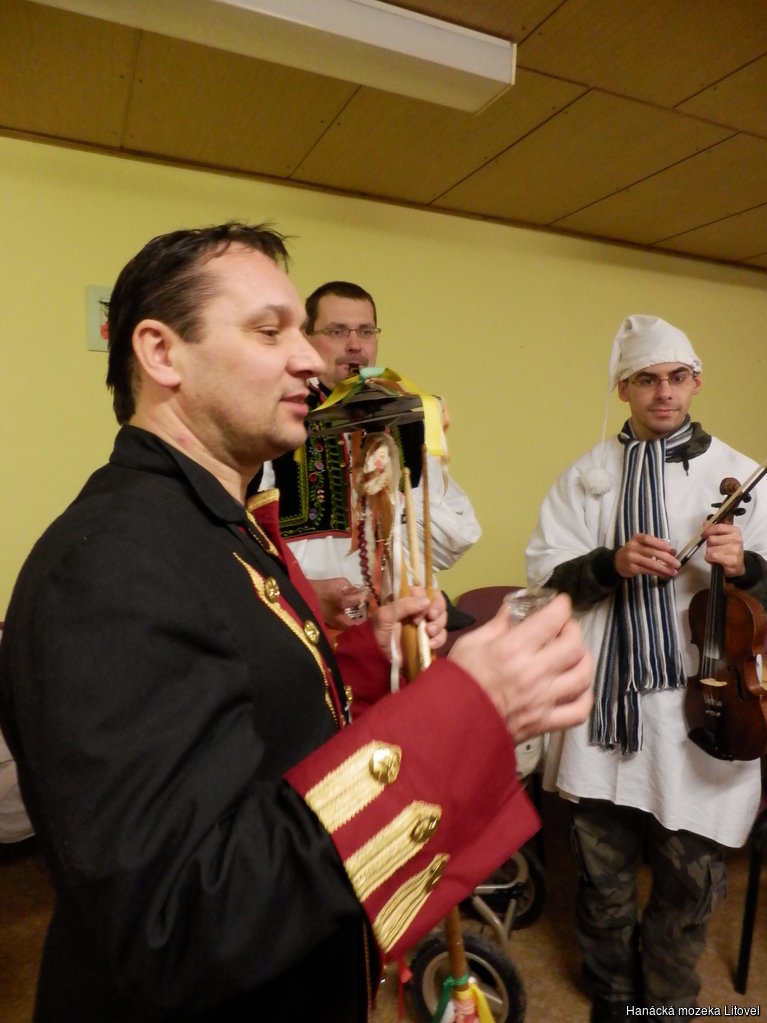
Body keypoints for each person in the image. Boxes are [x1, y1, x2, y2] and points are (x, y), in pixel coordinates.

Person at [0, 222, 593, 1023]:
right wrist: (463, 714)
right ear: (161, 352)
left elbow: (249, 720)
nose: (312, 359)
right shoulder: (108, 561)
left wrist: (366, 660)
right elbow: (180, 918)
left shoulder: (212, 524)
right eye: (269, 330)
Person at [526, 314, 767, 1021]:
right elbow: (544, 577)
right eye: (646, 379)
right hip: (607, 704)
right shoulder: (588, 477)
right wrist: (611, 563)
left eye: (676, 377)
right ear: (623, 388)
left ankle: (667, 1001)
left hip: (706, 702)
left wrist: (746, 567)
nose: (663, 392)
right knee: (600, 877)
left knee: (688, 883)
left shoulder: (740, 471)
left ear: (696, 382)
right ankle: (612, 994)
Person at [259, 280, 481, 630]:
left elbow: (456, 538)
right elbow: (244, 540)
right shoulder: (277, 417)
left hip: (395, 627)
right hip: (300, 622)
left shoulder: (405, 419)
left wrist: (391, 504)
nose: (354, 344)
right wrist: (304, 590)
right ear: (305, 338)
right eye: (336, 331)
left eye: (365, 331)